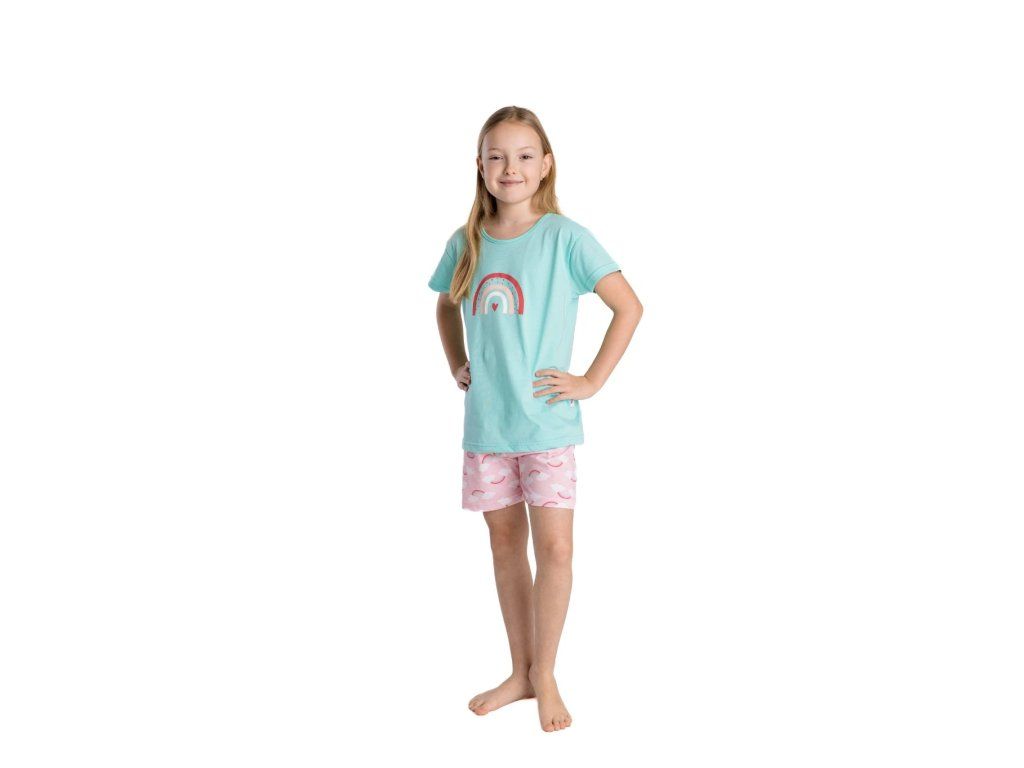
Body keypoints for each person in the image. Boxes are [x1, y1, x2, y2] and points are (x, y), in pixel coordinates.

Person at [427, 106, 643, 733]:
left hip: (547, 426)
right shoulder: (466, 241)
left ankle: (544, 672)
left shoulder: (566, 238)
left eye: (524, 156)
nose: (510, 168)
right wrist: (458, 362)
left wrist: (590, 381)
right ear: (479, 166)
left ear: (546, 164)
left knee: (555, 548)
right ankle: (519, 672)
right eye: (496, 156)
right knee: (504, 547)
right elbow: (445, 306)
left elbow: (628, 307)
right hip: (488, 428)